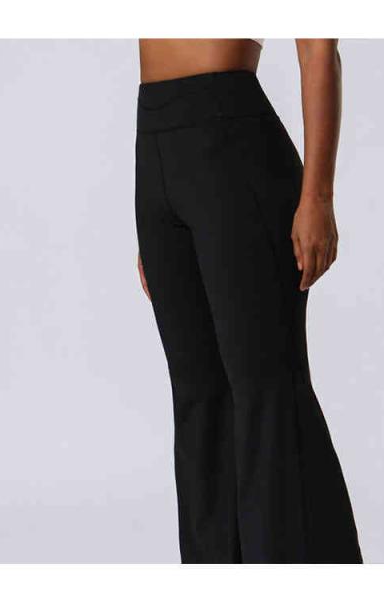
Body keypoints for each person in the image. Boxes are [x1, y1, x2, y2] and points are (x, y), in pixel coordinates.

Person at [135, 38, 362, 563]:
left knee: (268, 396)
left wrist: (318, 196)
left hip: (233, 145)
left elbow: (318, 51)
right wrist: (163, 212)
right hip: (155, 147)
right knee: (199, 401)